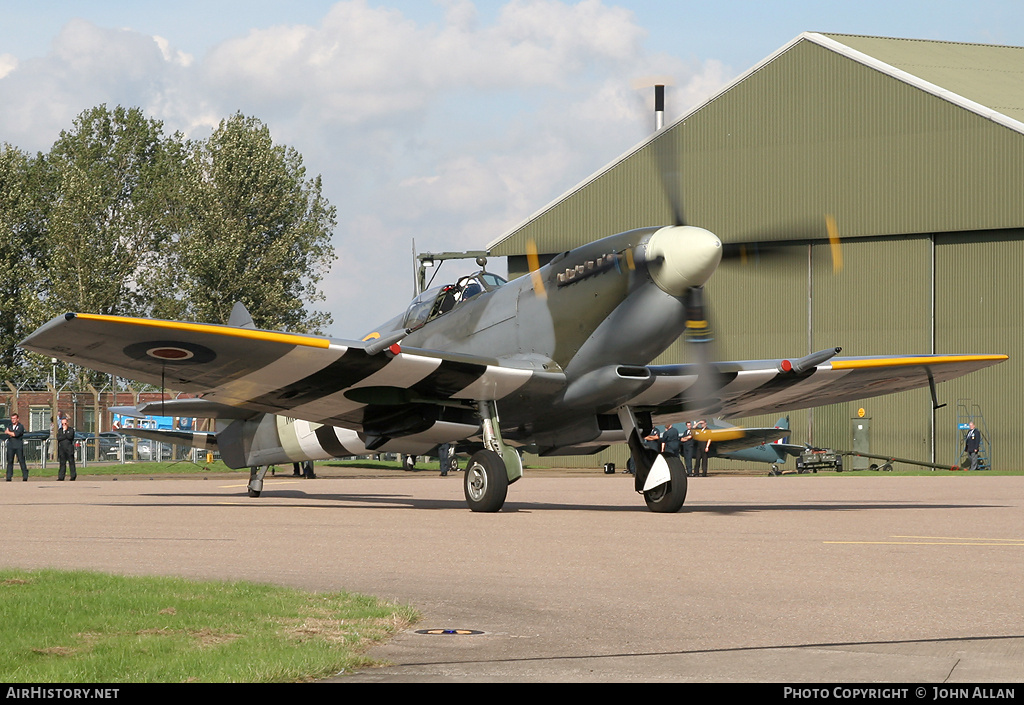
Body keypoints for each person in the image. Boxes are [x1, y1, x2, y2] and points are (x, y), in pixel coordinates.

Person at [5, 413, 28, 482]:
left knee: (21, 460)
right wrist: (10, 433)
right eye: (12, 419)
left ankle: (25, 475)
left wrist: (10, 433)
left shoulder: (20, 426)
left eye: (14, 418)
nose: (13, 420)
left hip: (18, 446)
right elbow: (6, 432)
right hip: (10, 446)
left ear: (17, 419)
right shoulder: (9, 426)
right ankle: (9, 476)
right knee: (10, 461)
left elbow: (16, 434)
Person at [56, 416, 77, 481]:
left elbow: (70, 437)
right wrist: (64, 434)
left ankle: (73, 476)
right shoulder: (60, 430)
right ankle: (61, 477)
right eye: (62, 424)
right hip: (62, 449)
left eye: (65, 423)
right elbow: (59, 438)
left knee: (71, 463)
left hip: (69, 449)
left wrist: (65, 432)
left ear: (67, 423)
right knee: (62, 464)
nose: (63, 425)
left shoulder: (71, 430)